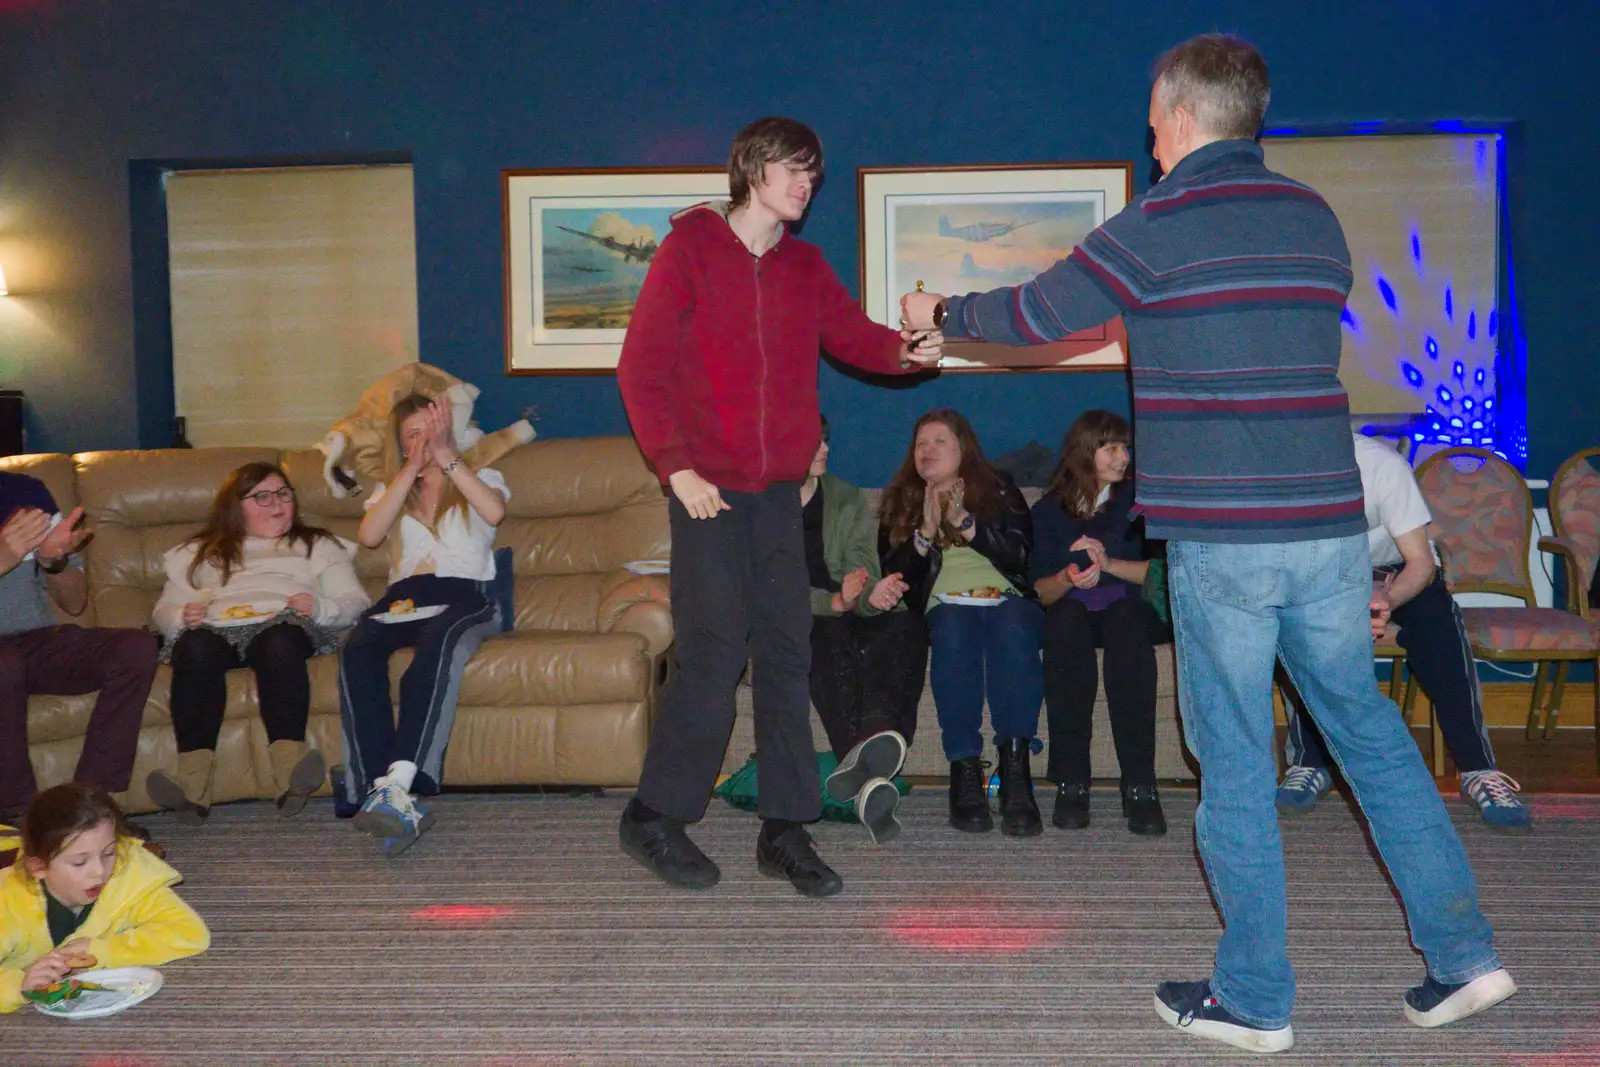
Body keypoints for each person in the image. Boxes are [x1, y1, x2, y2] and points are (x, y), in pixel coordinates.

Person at [901, 33, 1514, 1054]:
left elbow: (1039, 309)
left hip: (1229, 539)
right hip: (1325, 528)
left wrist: (940, 313)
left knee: (1231, 754)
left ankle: (1255, 995)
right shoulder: (1313, 218)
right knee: (1363, 730)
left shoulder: (1162, 220)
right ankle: (1463, 952)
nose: (1149, 146)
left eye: (1151, 128)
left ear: (1183, 120)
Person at [616, 116, 942, 899]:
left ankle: (784, 827)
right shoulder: (691, 250)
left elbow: (859, 338)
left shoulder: (804, 267)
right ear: (753, 168)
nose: (806, 184)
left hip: (774, 496)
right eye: (794, 169)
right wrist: (676, 468)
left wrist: (910, 350)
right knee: (716, 651)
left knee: (789, 652)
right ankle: (655, 814)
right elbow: (640, 368)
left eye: (812, 174)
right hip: (707, 494)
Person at [1276, 433, 1531, 832]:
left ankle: (1478, 770)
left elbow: (1421, 562)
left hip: (1400, 571)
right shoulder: (1274, 467)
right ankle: (1310, 762)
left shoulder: (1382, 465)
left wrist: (1384, 603)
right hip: (1320, 577)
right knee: (1302, 631)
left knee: (1439, 626)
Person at [147, 462, 370, 823]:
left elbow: (356, 603)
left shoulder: (316, 544)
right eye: (262, 497)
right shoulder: (198, 552)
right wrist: (180, 617)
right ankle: (192, 787)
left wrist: (321, 607)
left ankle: (290, 774)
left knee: (278, 642)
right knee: (194, 648)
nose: (277, 503)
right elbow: (163, 610)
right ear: (236, 506)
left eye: (283, 494)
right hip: (216, 625)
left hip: (282, 622)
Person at [336, 392, 508, 857]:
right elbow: (370, 536)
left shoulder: (480, 476)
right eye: (412, 434)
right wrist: (409, 470)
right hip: (403, 597)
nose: (422, 441)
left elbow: (494, 513)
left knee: (437, 645)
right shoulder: (389, 489)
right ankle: (376, 788)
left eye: (430, 430)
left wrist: (447, 455)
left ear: (448, 430)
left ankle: (401, 780)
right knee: (357, 648)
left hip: (465, 594)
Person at [880, 410, 1043, 837]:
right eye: (920, 444)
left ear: (962, 449)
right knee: (952, 628)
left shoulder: (999, 487)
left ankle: (1015, 770)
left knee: (1012, 624)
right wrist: (925, 533)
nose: (927, 451)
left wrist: (966, 526)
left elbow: (1023, 558)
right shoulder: (902, 498)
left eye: (939, 442)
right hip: (944, 604)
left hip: (1004, 597)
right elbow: (894, 578)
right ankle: (964, 769)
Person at [1032, 411, 1167, 836]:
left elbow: (1162, 574)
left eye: (1126, 447)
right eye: (1111, 447)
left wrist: (1109, 563)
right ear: (1085, 452)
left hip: (1131, 608)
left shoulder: (1141, 503)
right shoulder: (1049, 511)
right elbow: (1040, 592)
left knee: (1126, 621)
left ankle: (1141, 784)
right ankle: (1073, 782)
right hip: (1072, 614)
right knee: (1066, 619)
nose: (1123, 456)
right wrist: (1067, 577)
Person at [0, 472, 158, 825]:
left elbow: (74, 601)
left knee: (135, 648)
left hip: (34, 642)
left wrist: (52, 562)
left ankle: (89, 810)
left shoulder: (27, 492)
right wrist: (5, 553)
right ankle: (19, 818)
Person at [804, 414, 927, 845]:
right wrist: (831, 602)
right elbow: (762, 590)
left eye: (826, 439)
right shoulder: (760, 505)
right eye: (814, 441)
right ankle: (865, 764)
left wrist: (873, 595)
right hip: (797, 622)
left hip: (849, 611)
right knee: (829, 632)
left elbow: (864, 570)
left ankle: (869, 759)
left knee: (908, 623)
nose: (826, 449)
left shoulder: (844, 496)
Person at [0, 783, 209, 1013]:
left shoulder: (127, 871)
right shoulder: (7, 902)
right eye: (80, 862)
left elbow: (190, 933)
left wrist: (102, 950)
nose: (99, 871)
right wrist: (18, 985)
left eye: (108, 852)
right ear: (38, 867)